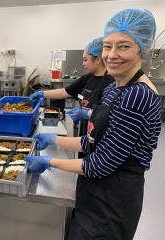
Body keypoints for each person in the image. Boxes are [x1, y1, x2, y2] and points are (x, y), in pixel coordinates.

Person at [26, 8, 162, 240]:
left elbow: (99, 164)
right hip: (95, 190)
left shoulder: (138, 95)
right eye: (108, 46)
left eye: (124, 46)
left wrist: (49, 161)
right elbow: (92, 141)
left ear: (142, 48)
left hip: (113, 200)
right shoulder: (114, 87)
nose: (111, 55)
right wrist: (54, 139)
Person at [30, 37, 114, 135]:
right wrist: (42, 94)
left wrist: (87, 114)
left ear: (98, 60)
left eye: (85, 60)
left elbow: (110, 114)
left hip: (101, 135)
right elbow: (64, 92)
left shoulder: (112, 83)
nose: (83, 64)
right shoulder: (87, 78)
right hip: (85, 133)